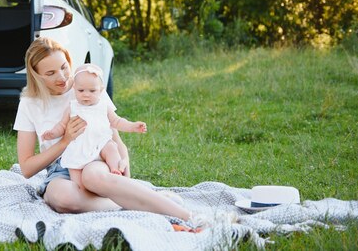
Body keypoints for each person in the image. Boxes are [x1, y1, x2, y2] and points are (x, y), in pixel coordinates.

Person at [14, 37, 238, 230]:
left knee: (93, 176)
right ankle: (145, 202)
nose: (62, 77)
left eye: (64, 67)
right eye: (51, 73)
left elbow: (114, 138)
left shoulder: (86, 85)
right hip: (60, 167)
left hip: (95, 155)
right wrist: (64, 141)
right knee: (62, 199)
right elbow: (26, 168)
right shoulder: (29, 104)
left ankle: (191, 217)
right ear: (36, 75)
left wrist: (124, 168)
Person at [42, 63, 147, 191]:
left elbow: (117, 122)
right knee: (75, 170)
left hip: (100, 144)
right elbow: (62, 126)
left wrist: (132, 126)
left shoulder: (103, 107)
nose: (86, 94)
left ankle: (115, 170)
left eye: (92, 91)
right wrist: (53, 133)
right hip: (79, 148)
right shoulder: (72, 107)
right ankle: (81, 190)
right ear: (74, 88)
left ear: (101, 90)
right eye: (81, 90)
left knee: (111, 148)